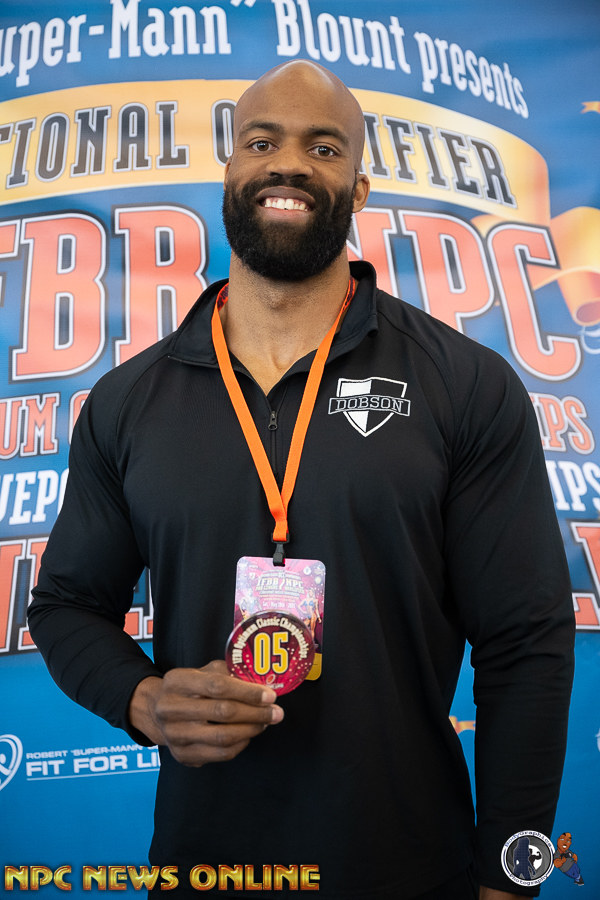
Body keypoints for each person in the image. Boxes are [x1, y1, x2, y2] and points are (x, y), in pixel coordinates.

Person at [28, 61, 574, 899]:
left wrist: (512, 877)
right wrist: (142, 700)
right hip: (204, 869)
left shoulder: (464, 383)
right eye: (261, 142)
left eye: (323, 148)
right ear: (230, 172)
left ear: (359, 191)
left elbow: (526, 642)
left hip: (411, 869)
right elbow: (66, 604)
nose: (288, 163)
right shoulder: (128, 401)